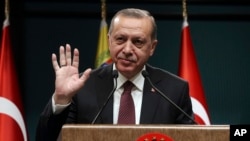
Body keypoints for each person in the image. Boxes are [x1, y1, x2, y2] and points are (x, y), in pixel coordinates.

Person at [36, 8, 194, 141]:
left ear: (152, 47)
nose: (127, 50)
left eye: (138, 41)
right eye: (120, 39)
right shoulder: (83, 86)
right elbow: (46, 138)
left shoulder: (174, 90)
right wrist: (61, 99)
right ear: (109, 40)